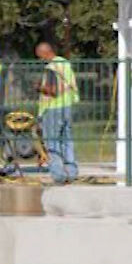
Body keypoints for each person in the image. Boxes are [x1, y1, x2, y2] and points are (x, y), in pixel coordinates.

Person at [34, 41, 78, 184]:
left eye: (39, 56)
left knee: (52, 142)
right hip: (67, 106)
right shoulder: (65, 64)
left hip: (53, 108)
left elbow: (53, 90)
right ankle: (71, 173)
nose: (40, 60)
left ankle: (58, 174)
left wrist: (39, 87)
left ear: (44, 53)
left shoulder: (51, 68)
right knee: (67, 141)